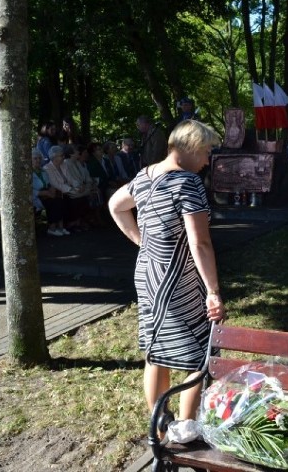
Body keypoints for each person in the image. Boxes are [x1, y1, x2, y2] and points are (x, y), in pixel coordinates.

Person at [108, 119, 225, 420]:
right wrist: (213, 291)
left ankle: (160, 428)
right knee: (201, 355)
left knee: (156, 352)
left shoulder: (144, 175)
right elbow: (200, 244)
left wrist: (142, 242)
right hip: (177, 281)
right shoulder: (187, 182)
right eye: (206, 152)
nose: (207, 160)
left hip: (147, 275)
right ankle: (186, 431)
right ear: (191, 147)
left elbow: (115, 205)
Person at [31, 148, 66, 236]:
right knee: (53, 202)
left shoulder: (43, 171)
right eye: (35, 158)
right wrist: (43, 193)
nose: (38, 160)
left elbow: (48, 183)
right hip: (36, 196)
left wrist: (51, 189)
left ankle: (60, 227)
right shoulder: (28, 173)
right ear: (30, 160)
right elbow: (29, 189)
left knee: (59, 199)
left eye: (39, 158)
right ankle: (52, 227)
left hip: (47, 193)